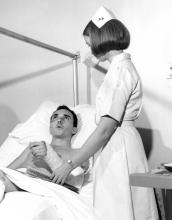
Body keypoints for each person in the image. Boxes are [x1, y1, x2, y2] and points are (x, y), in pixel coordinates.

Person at [50, 6, 158, 220]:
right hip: (118, 146)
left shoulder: (120, 72)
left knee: (119, 210)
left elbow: (104, 130)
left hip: (119, 149)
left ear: (100, 38)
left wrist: (69, 165)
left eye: (88, 41)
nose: (88, 47)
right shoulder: (119, 69)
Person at [0, 105, 89, 192]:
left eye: (66, 118)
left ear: (74, 129)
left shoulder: (80, 153)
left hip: (39, 191)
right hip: (13, 183)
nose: (59, 120)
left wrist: (48, 155)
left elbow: (74, 185)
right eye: (55, 117)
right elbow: (7, 171)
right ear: (50, 127)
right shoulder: (33, 147)